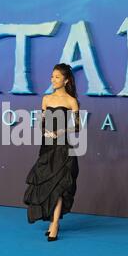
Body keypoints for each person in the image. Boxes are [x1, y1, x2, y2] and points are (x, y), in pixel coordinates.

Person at [23, 63, 80, 242]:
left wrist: (60, 133)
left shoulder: (71, 101)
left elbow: (77, 126)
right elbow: (42, 122)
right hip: (47, 146)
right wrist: (45, 131)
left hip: (64, 147)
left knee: (60, 186)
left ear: (66, 80)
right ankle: (53, 221)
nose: (53, 79)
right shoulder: (46, 99)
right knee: (48, 184)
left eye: (57, 77)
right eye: (52, 76)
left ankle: (54, 224)